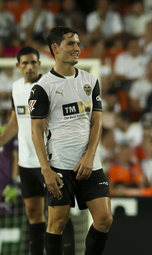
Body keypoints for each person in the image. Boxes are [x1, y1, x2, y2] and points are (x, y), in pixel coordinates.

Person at [28, 27, 112, 255]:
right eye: (70, 44)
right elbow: (35, 131)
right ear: (55, 48)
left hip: (89, 163)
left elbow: (97, 122)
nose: (77, 48)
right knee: (58, 223)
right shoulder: (42, 87)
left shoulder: (90, 80)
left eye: (77, 43)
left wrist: (89, 156)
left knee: (104, 219)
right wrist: (45, 169)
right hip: (60, 165)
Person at [0, 46, 75, 255]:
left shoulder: (49, 86)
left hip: (49, 164)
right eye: (25, 63)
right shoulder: (16, 88)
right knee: (33, 213)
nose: (30, 66)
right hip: (26, 164)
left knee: (60, 217)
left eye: (33, 62)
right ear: (18, 66)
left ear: (39, 64)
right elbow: (15, 122)